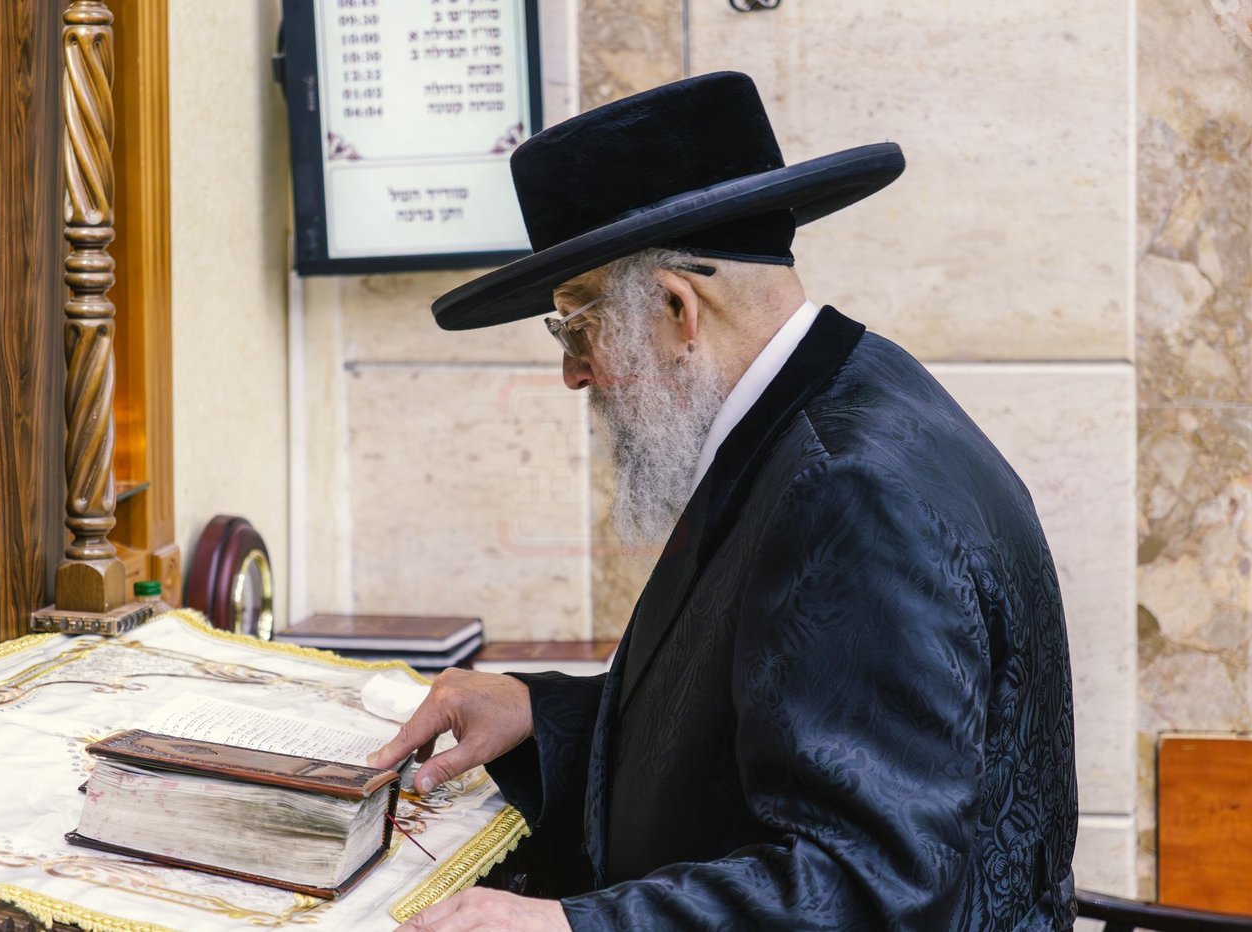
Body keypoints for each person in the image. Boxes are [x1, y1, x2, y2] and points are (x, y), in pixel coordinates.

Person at [371, 71, 1078, 931]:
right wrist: (544, 714)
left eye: (575, 325)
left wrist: (568, 925)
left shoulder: (849, 491)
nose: (573, 373)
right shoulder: (835, 393)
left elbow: (873, 886)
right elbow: (767, 717)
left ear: (676, 308)